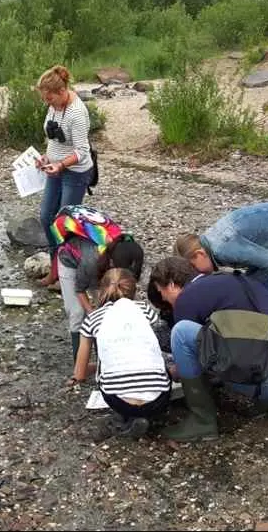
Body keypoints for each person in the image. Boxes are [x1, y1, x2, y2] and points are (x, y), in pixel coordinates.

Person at [147, 257, 268, 441]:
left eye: (161, 291)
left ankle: (202, 421)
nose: (163, 298)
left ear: (171, 284)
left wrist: (172, 370)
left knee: (181, 333)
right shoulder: (227, 278)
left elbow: (192, 356)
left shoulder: (186, 299)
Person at [68, 268, 170, 439]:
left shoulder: (93, 319)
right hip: (159, 400)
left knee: (106, 372)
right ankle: (144, 415)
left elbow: (79, 373)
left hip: (119, 401)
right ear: (134, 290)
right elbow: (157, 344)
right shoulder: (145, 310)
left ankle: (125, 417)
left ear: (101, 291)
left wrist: (97, 366)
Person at [174, 199, 268, 302]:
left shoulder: (222, 249)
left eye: (194, 269)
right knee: (251, 289)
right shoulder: (211, 239)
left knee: (265, 296)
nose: (197, 276)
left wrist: (247, 289)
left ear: (199, 254)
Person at [50, 204, 145, 361]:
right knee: (78, 313)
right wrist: (91, 312)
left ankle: (105, 354)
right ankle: (80, 364)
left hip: (99, 267)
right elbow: (79, 289)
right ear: (113, 265)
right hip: (69, 260)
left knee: (108, 307)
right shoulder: (91, 261)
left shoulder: (125, 247)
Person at [34, 65, 95, 290]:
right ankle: (55, 269)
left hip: (75, 173)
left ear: (61, 92)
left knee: (65, 223)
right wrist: (45, 157)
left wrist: (60, 164)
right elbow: (54, 139)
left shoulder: (77, 113)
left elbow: (81, 151)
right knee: (46, 216)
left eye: (49, 98)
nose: (47, 103)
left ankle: (68, 274)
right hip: (55, 167)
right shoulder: (54, 107)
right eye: (45, 99)